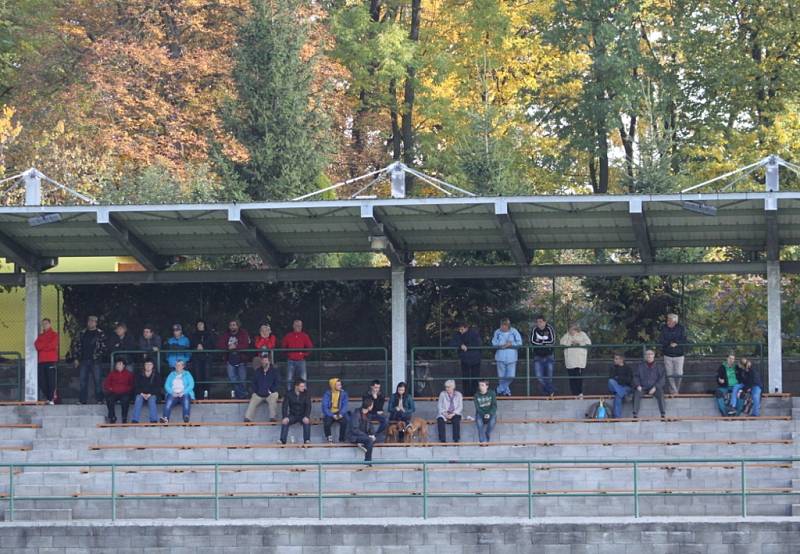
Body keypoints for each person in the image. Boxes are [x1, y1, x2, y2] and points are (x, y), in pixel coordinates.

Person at [71, 315, 107, 405]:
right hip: (83, 360)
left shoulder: (100, 333)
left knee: (98, 381)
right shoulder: (82, 333)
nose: (90, 322)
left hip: (96, 361)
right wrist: (76, 358)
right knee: (82, 381)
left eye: (93, 321)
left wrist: (98, 356)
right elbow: (76, 346)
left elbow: (104, 347)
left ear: (96, 323)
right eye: (89, 321)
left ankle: (100, 399)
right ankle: (82, 400)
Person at [217, 320, 251, 399]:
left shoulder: (243, 333)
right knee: (232, 378)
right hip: (230, 359)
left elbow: (246, 345)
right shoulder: (225, 334)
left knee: (242, 379)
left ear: (238, 326)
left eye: (234, 325)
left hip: (241, 359)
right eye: (231, 325)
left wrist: (236, 347)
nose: (232, 326)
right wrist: (228, 348)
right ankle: (243, 394)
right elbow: (220, 345)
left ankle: (241, 396)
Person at [448, 322, 482, 397]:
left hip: (475, 359)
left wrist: (466, 346)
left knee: (475, 376)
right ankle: (466, 393)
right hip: (465, 359)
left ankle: (474, 393)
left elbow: (478, 343)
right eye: (459, 329)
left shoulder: (474, 334)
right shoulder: (458, 334)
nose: (460, 331)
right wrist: (460, 345)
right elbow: (452, 342)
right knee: (465, 377)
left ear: (466, 328)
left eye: (462, 329)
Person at [491, 318, 523, 397]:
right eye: (501, 325)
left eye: (504, 325)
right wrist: (501, 344)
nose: (502, 327)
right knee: (501, 377)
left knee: (511, 376)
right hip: (500, 357)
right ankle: (506, 393)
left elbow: (519, 343)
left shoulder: (514, 331)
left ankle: (498, 390)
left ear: (508, 326)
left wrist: (511, 344)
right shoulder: (497, 332)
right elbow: (494, 343)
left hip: (511, 358)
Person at [244, 354, 280, 422]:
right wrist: (256, 391)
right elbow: (253, 383)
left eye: (265, 360)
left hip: (270, 394)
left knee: (274, 397)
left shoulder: (274, 371)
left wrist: (271, 390)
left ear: (269, 361)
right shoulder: (258, 371)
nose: (264, 362)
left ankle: (273, 418)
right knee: (253, 400)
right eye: (263, 360)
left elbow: (277, 383)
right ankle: (248, 418)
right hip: (259, 394)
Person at [633, 349, 666, 419]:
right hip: (643, 387)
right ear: (645, 356)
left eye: (651, 354)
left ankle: (663, 414)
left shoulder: (659, 366)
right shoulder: (640, 366)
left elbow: (662, 379)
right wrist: (638, 385)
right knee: (637, 393)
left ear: (654, 355)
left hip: (654, 387)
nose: (649, 355)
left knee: (660, 393)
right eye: (647, 354)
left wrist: (655, 387)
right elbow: (635, 377)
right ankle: (635, 414)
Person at [560, 324, 592, 398]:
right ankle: (574, 394)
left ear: (576, 329)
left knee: (578, 376)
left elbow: (588, 343)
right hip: (570, 360)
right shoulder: (567, 335)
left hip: (579, 360)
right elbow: (561, 342)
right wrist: (570, 343)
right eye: (570, 329)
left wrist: (578, 343)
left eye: (573, 329)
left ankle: (580, 393)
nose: (571, 331)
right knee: (572, 377)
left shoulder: (582, 334)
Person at [659, 313, 687, 394]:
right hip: (667, 354)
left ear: (674, 321)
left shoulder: (681, 328)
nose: (667, 322)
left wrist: (676, 343)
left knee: (679, 373)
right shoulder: (664, 328)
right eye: (667, 320)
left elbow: (684, 339)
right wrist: (669, 343)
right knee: (669, 374)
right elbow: (661, 339)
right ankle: (674, 391)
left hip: (679, 354)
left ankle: (675, 390)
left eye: (669, 320)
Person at [281, 320, 313, 391]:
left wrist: (304, 354)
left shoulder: (304, 336)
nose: (298, 327)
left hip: (301, 360)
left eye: (300, 325)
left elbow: (310, 347)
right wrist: (289, 354)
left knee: (303, 378)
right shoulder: (288, 336)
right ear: (293, 326)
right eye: (296, 325)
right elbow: (283, 347)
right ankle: (289, 394)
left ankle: (304, 394)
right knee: (289, 378)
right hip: (291, 360)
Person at [530, 315, 557, 396]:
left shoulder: (550, 328)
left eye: (541, 322)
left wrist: (541, 342)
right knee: (539, 377)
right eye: (537, 322)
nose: (539, 323)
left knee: (549, 377)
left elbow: (552, 341)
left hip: (549, 356)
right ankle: (551, 390)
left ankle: (547, 395)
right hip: (538, 356)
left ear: (545, 322)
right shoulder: (534, 329)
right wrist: (544, 342)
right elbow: (532, 341)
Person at [34, 318, 59, 404]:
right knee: (41, 381)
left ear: (50, 324)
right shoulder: (40, 336)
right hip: (41, 361)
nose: (44, 325)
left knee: (51, 381)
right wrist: (45, 345)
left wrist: (43, 345)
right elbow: (37, 346)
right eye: (43, 324)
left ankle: (51, 399)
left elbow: (52, 345)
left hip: (51, 360)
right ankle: (49, 397)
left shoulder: (55, 334)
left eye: (46, 323)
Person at [279, 379, 311, 444]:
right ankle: (282, 440)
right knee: (285, 422)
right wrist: (285, 417)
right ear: (296, 386)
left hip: (302, 415)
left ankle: (307, 440)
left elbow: (308, 406)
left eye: (304, 386)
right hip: (293, 415)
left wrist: (307, 416)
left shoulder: (306, 393)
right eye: (302, 386)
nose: (304, 388)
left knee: (306, 422)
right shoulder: (289, 393)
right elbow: (285, 406)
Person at [102, 359, 134, 424]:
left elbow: (132, 384)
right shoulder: (112, 374)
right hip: (114, 392)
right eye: (117, 364)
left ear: (123, 366)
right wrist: (111, 389)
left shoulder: (128, 374)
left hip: (124, 393)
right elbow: (106, 384)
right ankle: (112, 417)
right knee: (110, 399)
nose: (118, 366)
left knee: (126, 400)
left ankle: (124, 418)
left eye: (120, 364)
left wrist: (127, 389)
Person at [189, 319, 215, 398]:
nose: (200, 326)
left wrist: (203, 346)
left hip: (207, 358)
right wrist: (196, 347)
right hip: (196, 358)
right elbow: (190, 346)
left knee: (207, 376)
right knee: (197, 376)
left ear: (204, 325)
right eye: (198, 324)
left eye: (201, 324)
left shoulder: (210, 334)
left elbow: (213, 345)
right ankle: (198, 396)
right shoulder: (193, 335)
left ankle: (207, 396)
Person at [131, 358, 160, 423]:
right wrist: (142, 394)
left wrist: (150, 394)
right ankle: (135, 420)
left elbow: (158, 387)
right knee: (138, 398)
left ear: (153, 366)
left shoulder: (156, 374)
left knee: (152, 399)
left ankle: (153, 420)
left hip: (152, 394)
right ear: (144, 366)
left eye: (150, 364)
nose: (148, 366)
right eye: (146, 364)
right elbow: (136, 386)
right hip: (141, 393)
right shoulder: (139, 374)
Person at [321, 377, 349, 443]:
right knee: (327, 423)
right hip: (330, 413)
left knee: (345, 422)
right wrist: (332, 415)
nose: (340, 386)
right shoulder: (327, 394)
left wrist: (341, 414)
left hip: (339, 412)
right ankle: (329, 437)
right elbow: (324, 407)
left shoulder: (344, 393)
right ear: (333, 386)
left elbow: (345, 405)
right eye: (338, 385)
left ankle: (341, 439)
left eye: (340, 385)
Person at [607, 352, 634, 419]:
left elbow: (629, 380)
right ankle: (623, 394)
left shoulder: (628, 368)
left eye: (616, 359)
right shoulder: (613, 368)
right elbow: (612, 379)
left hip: (626, 387)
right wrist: (621, 379)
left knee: (618, 396)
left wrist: (618, 378)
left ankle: (617, 417)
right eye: (614, 359)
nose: (614, 360)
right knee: (611, 381)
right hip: (615, 387)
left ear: (621, 360)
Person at [474, 379, 497, 443]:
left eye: (482, 385)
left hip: (491, 413)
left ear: (487, 386)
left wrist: (489, 414)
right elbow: (477, 408)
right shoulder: (476, 395)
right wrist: (484, 414)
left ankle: (487, 435)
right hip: (480, 414)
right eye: (479, 385)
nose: (480, 387)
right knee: (479, 424)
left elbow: (494, 406)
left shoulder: (492, 393)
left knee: (492, 423)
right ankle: (482, 441)